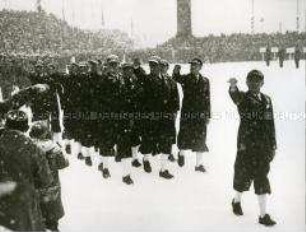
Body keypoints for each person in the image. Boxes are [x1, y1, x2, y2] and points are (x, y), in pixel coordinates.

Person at [228, 70, 277, 227]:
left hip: (263, 146)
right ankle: (236, 200)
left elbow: (270, 123)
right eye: (251, 81)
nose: (255, 84)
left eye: (258, 81)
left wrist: (273, 144)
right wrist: (233, 87)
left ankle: (263, 215)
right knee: (243, 175)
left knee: (262, 177)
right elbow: (235, 96)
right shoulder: (243, 97)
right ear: (247, 83)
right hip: (246, 144)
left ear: (262, 83)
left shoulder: (267, 99)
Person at [0, 110, 53, 231]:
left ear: (6, 125)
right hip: (25, 205)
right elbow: (46, 179)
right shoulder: (33, 148)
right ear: (26, 127)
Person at [139, 56, 176, 179]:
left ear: (160, 66)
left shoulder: (168, 80)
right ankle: (146, 159)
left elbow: (173, 98)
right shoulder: (145, 80)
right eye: (151, 65)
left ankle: (163, 169)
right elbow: (142, 100)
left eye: (155, 65)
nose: (153, 68)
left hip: (165, 118)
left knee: (166, 143)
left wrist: (173, 111)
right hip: (151, 116)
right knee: (148, 141)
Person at [173, 58, 211, 173]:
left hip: (200, 114)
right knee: (185, 135)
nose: (192, 67)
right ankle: (181, 153)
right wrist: (176, 71)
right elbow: (176, 78)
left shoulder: (205, 81)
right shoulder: (186, 78)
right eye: (191, 65)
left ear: (200, 67)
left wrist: (208, 114)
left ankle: (198, 165)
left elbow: (208, 98)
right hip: (188, 113)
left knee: (200, 138)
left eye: (195, 65)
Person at [30, 122, 69, 231]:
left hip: (35, 188)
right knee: (52, 216)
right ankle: (53, 227)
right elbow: (64, 164)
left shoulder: (28, 148)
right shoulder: (54, 147)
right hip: (52, 187)